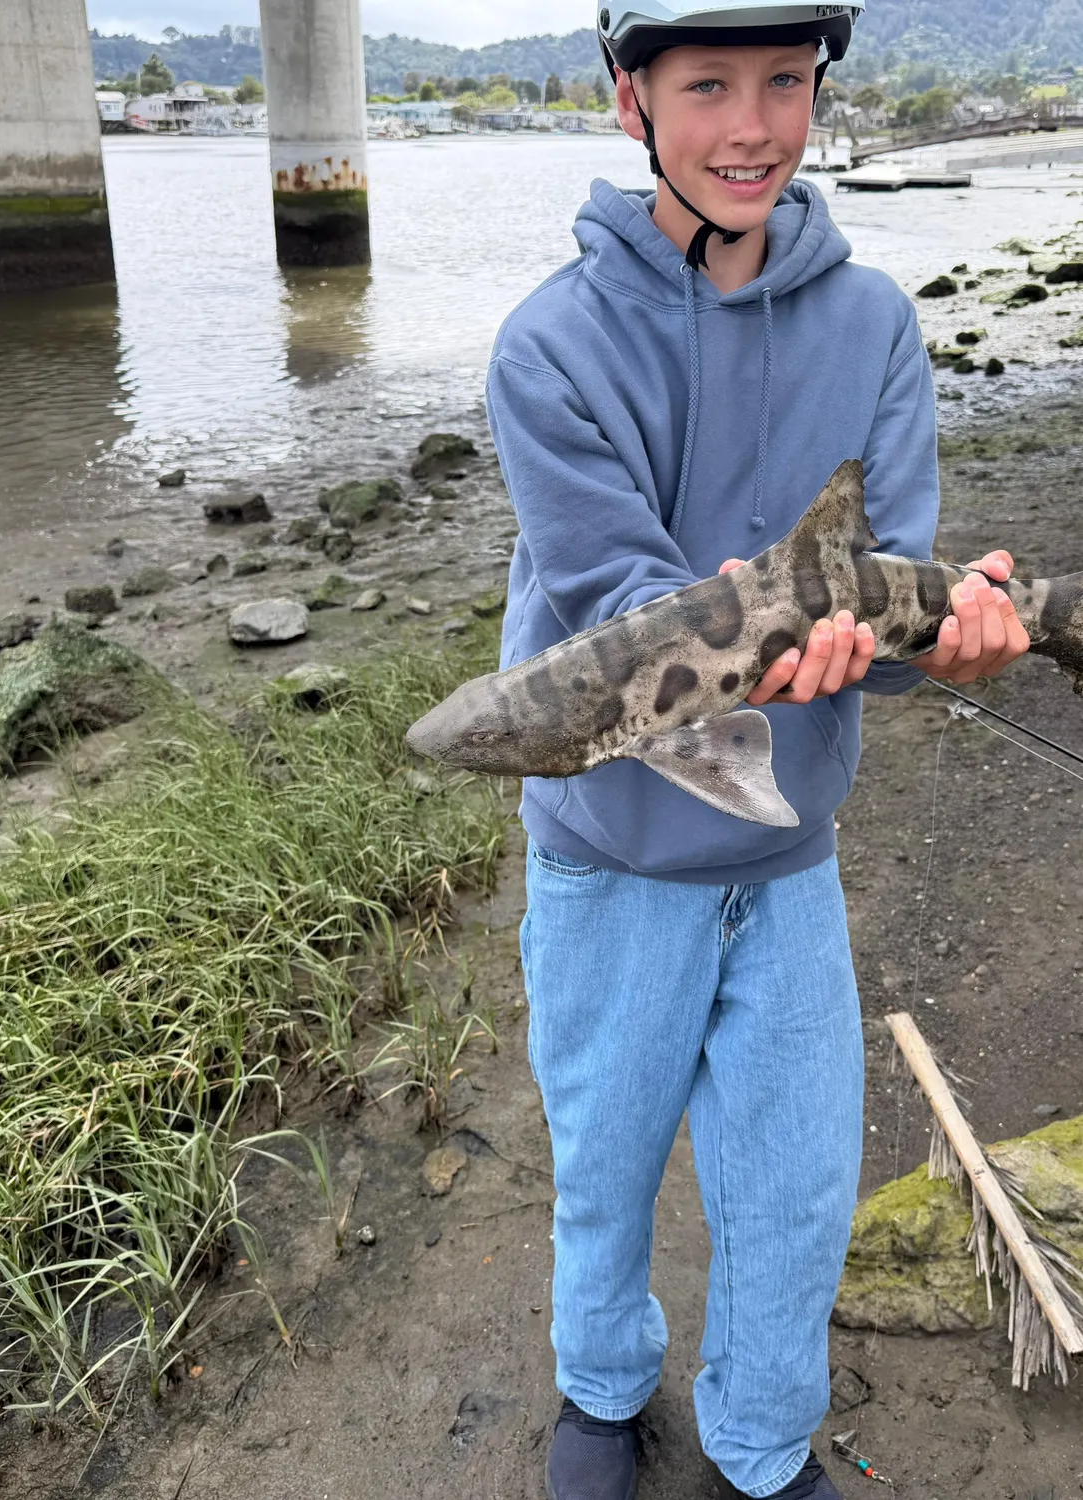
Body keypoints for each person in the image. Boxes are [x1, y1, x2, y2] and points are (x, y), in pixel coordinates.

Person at [488, 3, 1031, 1497]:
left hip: (786, 852)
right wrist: (787, 661)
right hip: (609, 859)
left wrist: (954, 642)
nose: (751, 125)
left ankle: (762, 1439)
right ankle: (602, 1390)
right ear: (627, 101)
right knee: (602, 1163)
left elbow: (897, 601)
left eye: (784, 82)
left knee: (794, 1193)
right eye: (708, 84)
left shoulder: (873, 328)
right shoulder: (550, 349)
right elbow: (613, 622)